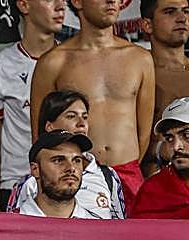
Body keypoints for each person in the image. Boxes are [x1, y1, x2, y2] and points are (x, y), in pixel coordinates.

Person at [30, 0, 156, 206]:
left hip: (129, 177)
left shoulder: (140, 59)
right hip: (75, 180)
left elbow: (144, 133)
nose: (112, 1)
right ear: (77, 2)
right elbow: (41, 136)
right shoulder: (53, 62)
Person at [0, 0, 66, 211]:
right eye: (50, 0)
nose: (61, 6)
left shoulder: (76, 63)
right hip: (16, 186)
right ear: (24, 5)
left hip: (69, 185)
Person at [8, 89, 126, 218]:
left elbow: (118, 228)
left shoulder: (107, 176)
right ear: (49, 126)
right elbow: (14, 226)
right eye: (71, 116)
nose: (82, 124)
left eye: (85, 117)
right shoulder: (29, 183)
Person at [14, 130, 100, 217]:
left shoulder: (97, 227)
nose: (71, 168)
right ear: (35, 169)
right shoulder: (11, 225)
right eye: (58, 160)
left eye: (77, 160)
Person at [134, 97, 189, 218]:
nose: (176, 147)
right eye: (169, 138)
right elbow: (136, 234)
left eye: (186, 135)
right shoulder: (153, 191)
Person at [142, 0, 189, 127]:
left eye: (186, 11)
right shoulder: (136, 73)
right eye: (170, 12)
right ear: (147, 25)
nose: (182, 18)